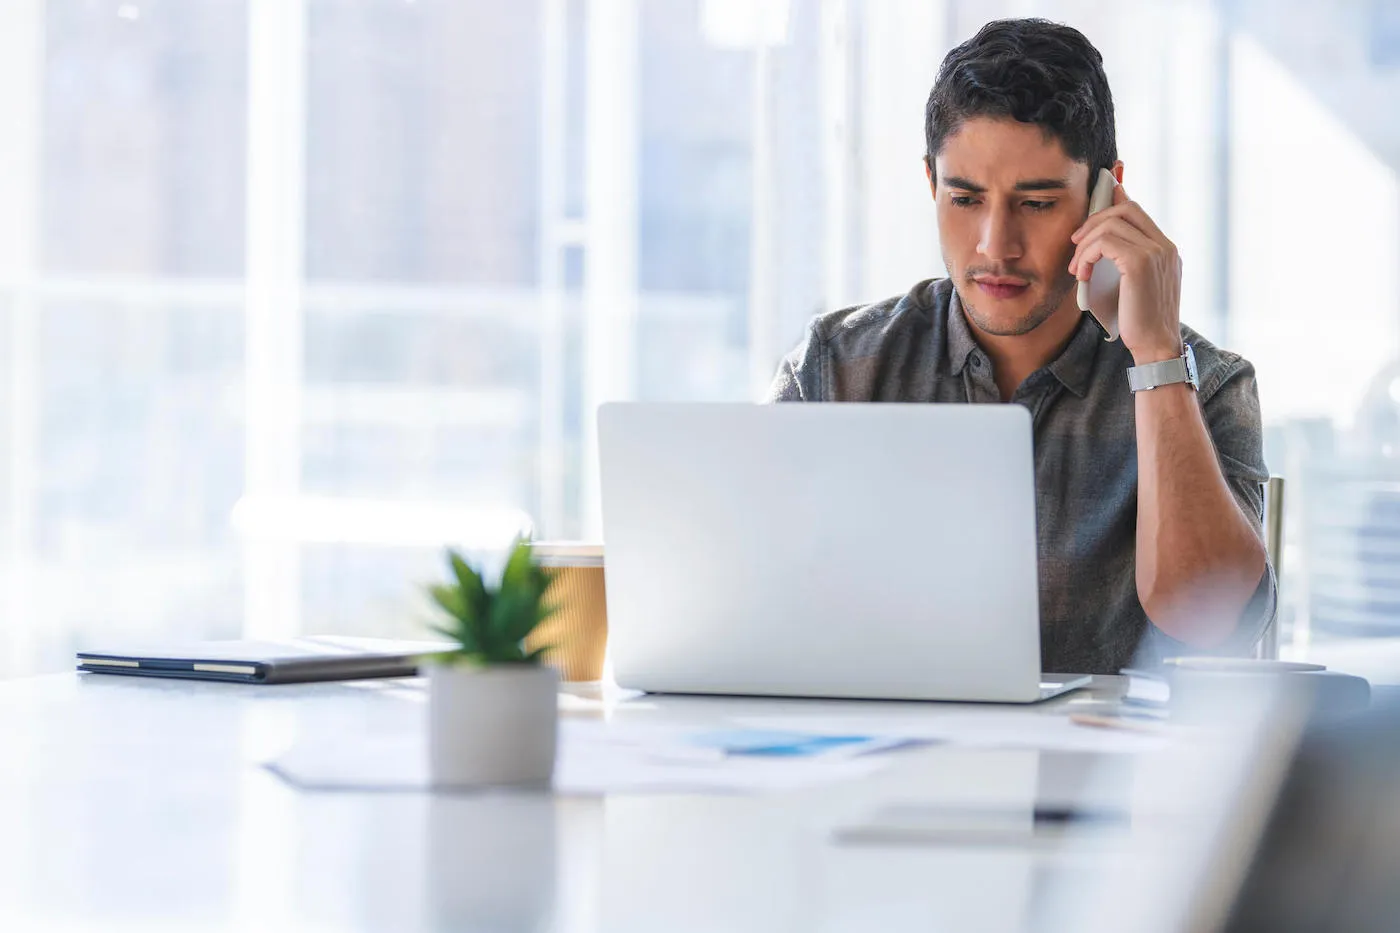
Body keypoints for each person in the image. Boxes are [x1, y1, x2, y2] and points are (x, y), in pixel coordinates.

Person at [766, 18, 1273, 674]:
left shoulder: (1205, 385)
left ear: (1106, 196)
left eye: (1035, 203)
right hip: (888, 764)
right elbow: (763, 616)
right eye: (965, 198)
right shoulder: (836, 367)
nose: (993, 245)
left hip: (1103, 774)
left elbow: (1207, 619)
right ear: (931, 186)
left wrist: (1155, 357)